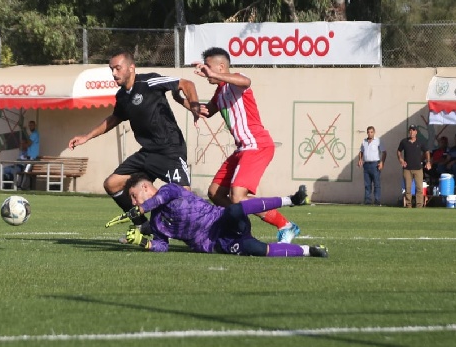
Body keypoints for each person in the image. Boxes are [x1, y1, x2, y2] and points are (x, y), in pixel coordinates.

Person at [68, 50, 200, 238]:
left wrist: (194, 105)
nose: (114, 73)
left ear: (131, 68)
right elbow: (114, 119)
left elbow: (186, 83)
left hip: (170, 151)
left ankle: (207, 230)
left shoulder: (149, 82)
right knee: (112, 184)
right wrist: (86, 137)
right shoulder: (122, 96)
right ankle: (143, 226)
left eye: (117, 68)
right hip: (147, 153)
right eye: (111, 69)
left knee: (186, 199)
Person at [192, 47, 301, 243]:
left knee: (238, 197)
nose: (206, 71)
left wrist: (214, 74)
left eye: (208, 66)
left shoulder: (236, 80)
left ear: (221, 66)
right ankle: (240, 227)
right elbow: (207, 111)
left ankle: (285, 225)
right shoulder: (220, 92)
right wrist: (185, 101)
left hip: (257, 145)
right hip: (242, 149)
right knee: (215, 193)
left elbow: (246, 81)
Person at [109, 174, 326, 258]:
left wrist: (140, 210)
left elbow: (157, 200)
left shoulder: (169, 190)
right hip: (217, 244)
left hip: (223, 220)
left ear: (146, 187)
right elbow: (162, 246)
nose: (134, 202)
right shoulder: (156, 222)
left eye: (134, 196)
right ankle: (310, 251)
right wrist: (143, 242)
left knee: (234, 207)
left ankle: (291, 200)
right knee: (255, 249)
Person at [397, 125, 431, 208]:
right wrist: (401, 160)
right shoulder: (404, 141)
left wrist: (428, 162)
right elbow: (398, 151)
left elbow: (426, 151)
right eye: (410, 130)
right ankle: (408, 205)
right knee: (408, 189)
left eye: (413, 130)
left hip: (418, 168)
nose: (412, 132)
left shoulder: (420, 142)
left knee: (419, 188)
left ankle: (419, 205)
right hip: (407, 169)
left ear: (416, 132)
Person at [358, 126, 387, 205]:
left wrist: (382, 162)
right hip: (366, 164)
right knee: (367, 184)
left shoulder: (378, 141)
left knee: (376, 184)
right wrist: (360, 159)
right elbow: (361, 151)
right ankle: (367, 201)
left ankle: (377, 201)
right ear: (367, 133)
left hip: (375, 164)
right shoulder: (364, 141)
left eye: (371, 132)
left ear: (374, 132)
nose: (370, 134)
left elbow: (384, 152)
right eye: (368, 132)